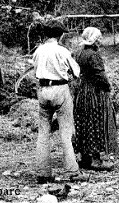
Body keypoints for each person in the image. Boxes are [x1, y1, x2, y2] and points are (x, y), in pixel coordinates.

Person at [31, 20, 88, 184]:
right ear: (60, 35)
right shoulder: (62, 51)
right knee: (66, 131)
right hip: (60, 89)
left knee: (43, 132)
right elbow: (76, 72)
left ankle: (43, 173)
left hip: (42, 90)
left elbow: (34, 71)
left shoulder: (38, 50)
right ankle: (72, 171)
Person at [72, 27, 117, 171]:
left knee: (84, 123)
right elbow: (99, 75)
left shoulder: (79, 53)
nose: (100, 40)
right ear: (93, 39)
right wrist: (107, 86)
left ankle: (85, 158)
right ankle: (96, 160)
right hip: (94, 91)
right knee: (96, 122)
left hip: (82, 90)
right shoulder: (93, 55)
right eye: (99, 38)